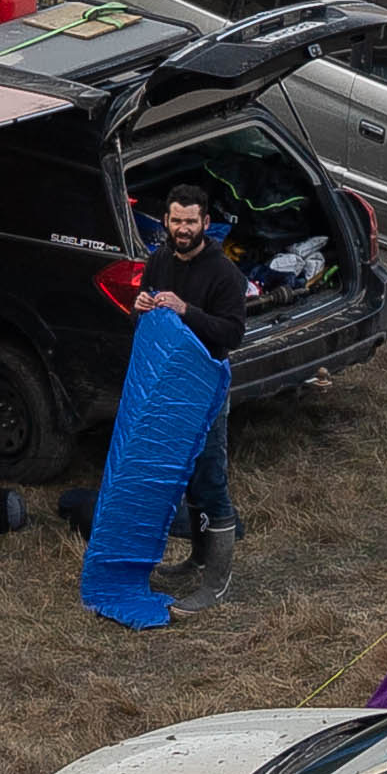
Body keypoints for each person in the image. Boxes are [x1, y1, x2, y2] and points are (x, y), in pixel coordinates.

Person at [138, 180, 253, 555]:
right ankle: (198, 555)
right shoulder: (157, 261)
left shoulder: (224, 273)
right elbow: (151, 326)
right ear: (166, 221)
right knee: (175, 469)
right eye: (176, 221)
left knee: (208, 473)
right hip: (168, 381)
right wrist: (139, 308)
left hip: (207, 384)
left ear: (205, 222)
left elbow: (233, 333)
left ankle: (217, 562)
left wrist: (186, 310)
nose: (182, 229)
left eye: (190, 222)